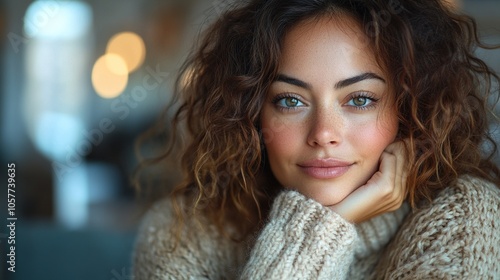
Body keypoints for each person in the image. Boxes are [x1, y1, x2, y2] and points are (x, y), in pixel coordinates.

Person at [132, 0, 500, 279]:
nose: (323, 133)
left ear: (409, 110)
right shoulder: (180, 234)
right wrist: (320, 231)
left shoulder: (467, 218)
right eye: (290, 101)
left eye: (360, 99)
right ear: (251, 115)